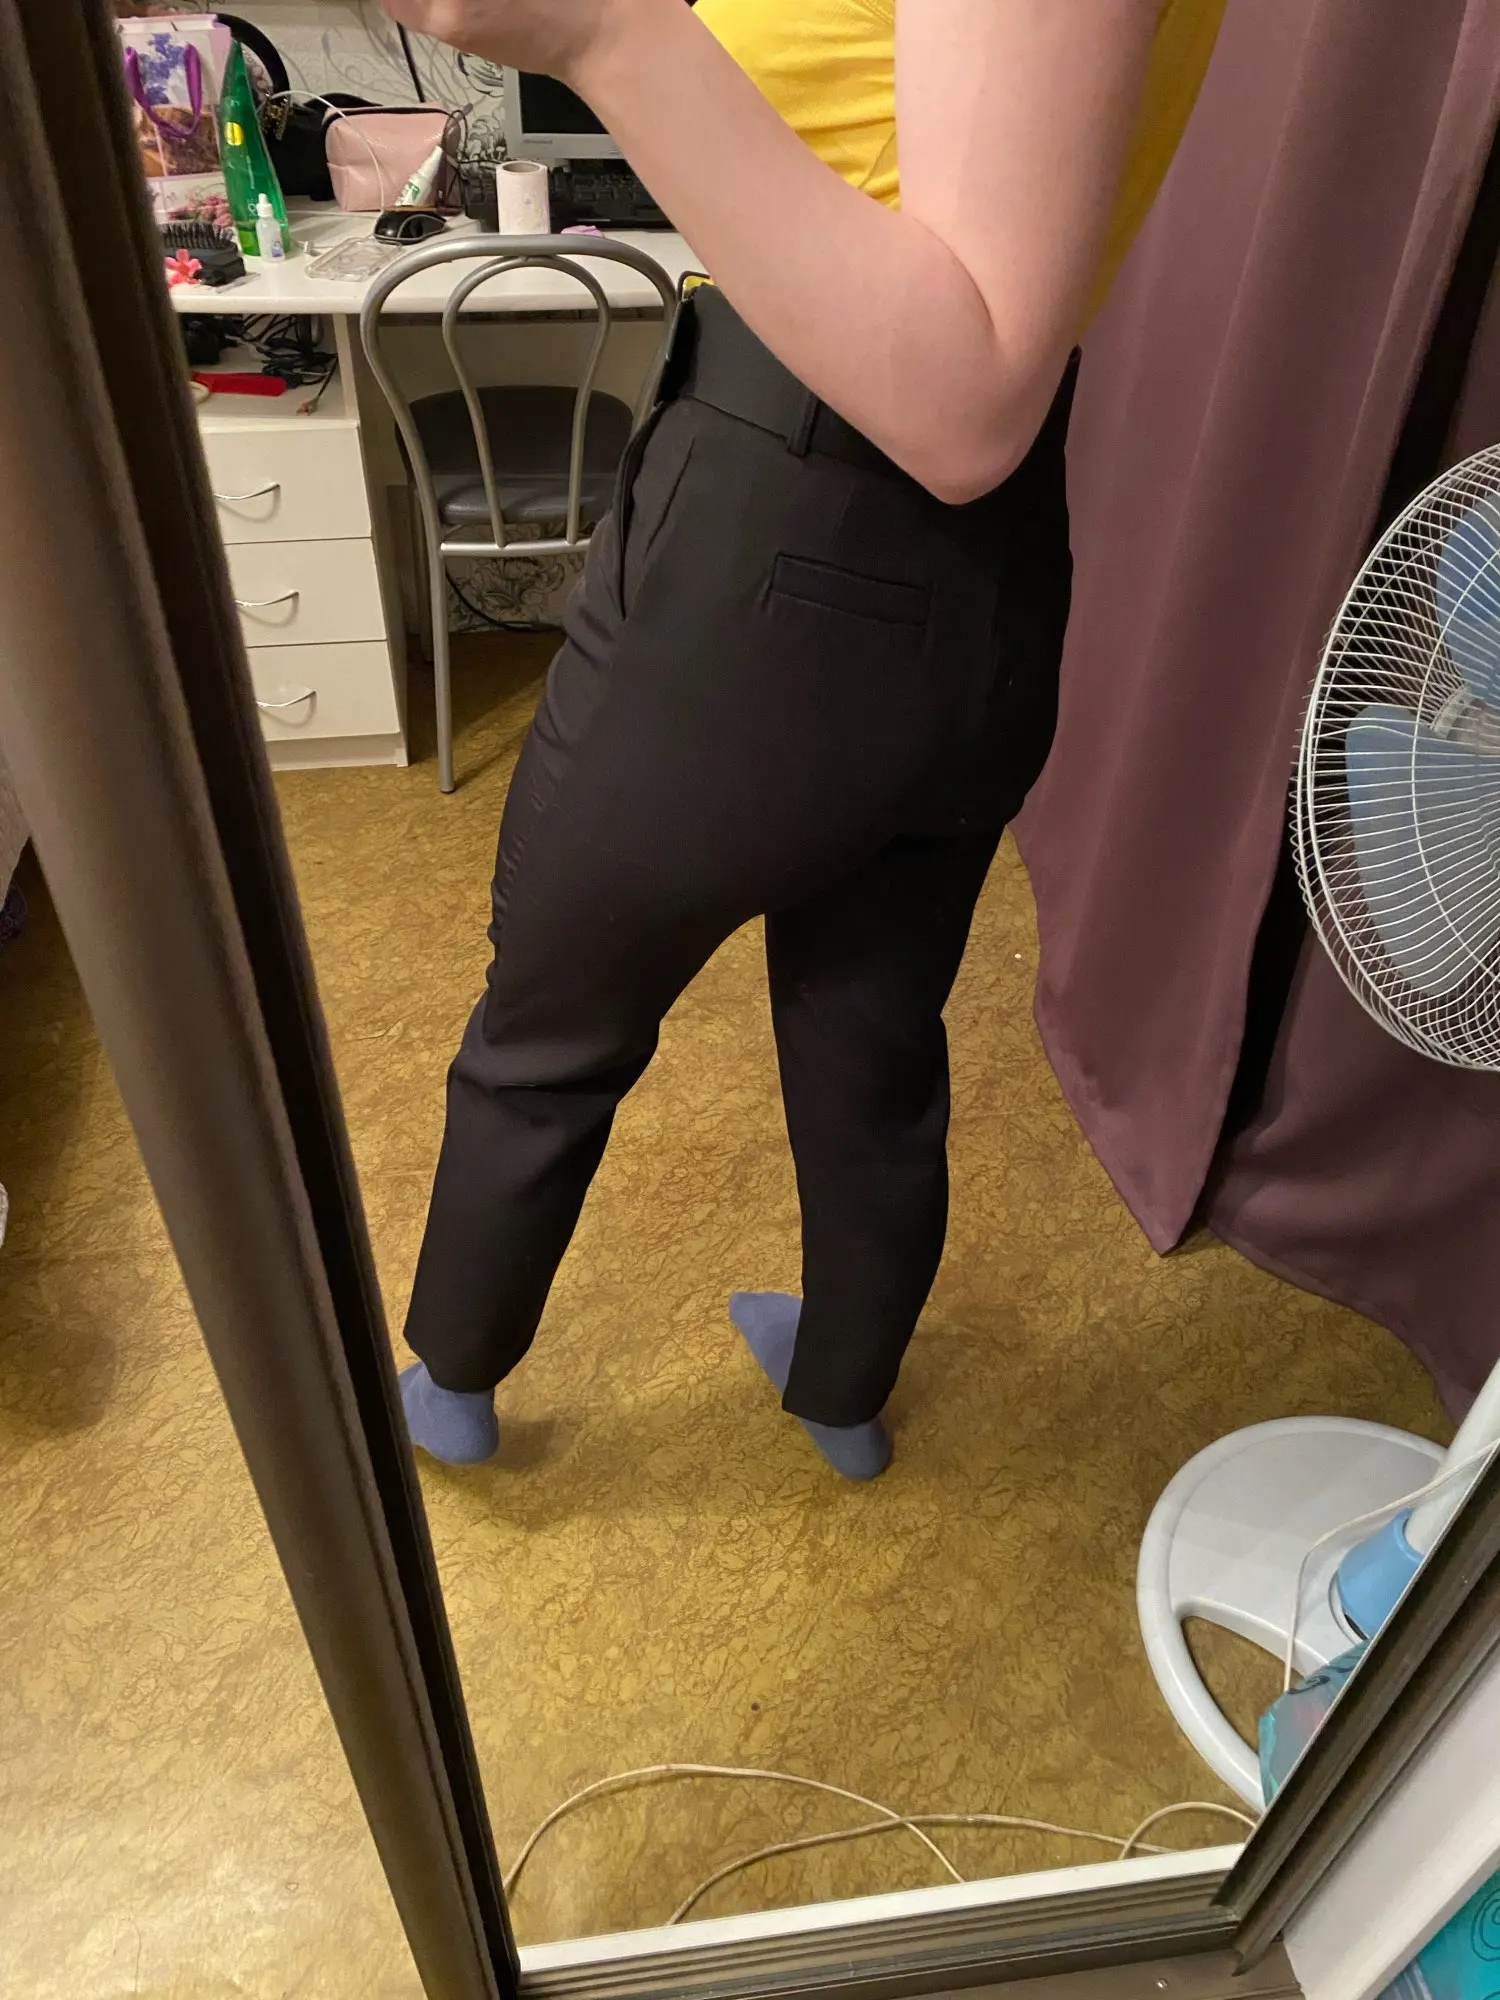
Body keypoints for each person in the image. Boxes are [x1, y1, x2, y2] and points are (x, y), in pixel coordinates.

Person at [387, 0, 1226, 1477]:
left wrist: (601, 32)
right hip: (986, 570)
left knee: (555, 1015)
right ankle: (843, 1386)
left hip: (776, 518)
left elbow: (963, 389)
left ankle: (449, 1376)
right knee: (872, 1032)